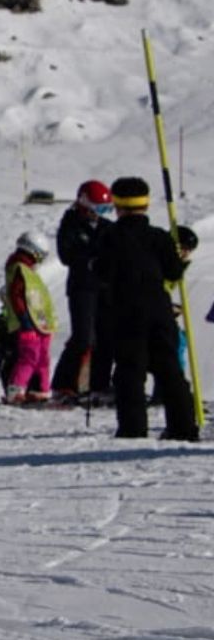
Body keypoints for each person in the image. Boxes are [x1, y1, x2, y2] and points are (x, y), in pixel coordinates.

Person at [91, 177, 199, 442]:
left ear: (117, 206)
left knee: (130, 371)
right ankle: (183, 427)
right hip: (159, 310)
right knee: (169, 370)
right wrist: (175, 255)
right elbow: (174, 272)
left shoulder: (109, 237)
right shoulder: (159, 237)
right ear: (146, 204)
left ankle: (132, 428)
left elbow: (101, 272)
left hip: (126, 312)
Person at [50, 179, 115, 402]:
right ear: (84, 204)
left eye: (104, 209)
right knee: (84, 337)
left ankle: (100, 384)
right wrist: (90, 258)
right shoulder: (71, 224)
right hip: (83, 288)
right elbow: (66, 255)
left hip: (105, 287)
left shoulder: (107, 227)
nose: (99, 214)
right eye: (97, 208)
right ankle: (63, 384)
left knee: (106, 336)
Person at [0, 231, 57, 404]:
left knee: (43, 357)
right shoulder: (19, 268)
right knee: (30, 355)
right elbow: (16, 295)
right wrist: (24, 320)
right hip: (27, 323)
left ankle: (41, 389)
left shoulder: (28, 270)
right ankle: (16, 389)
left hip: (40, 323)